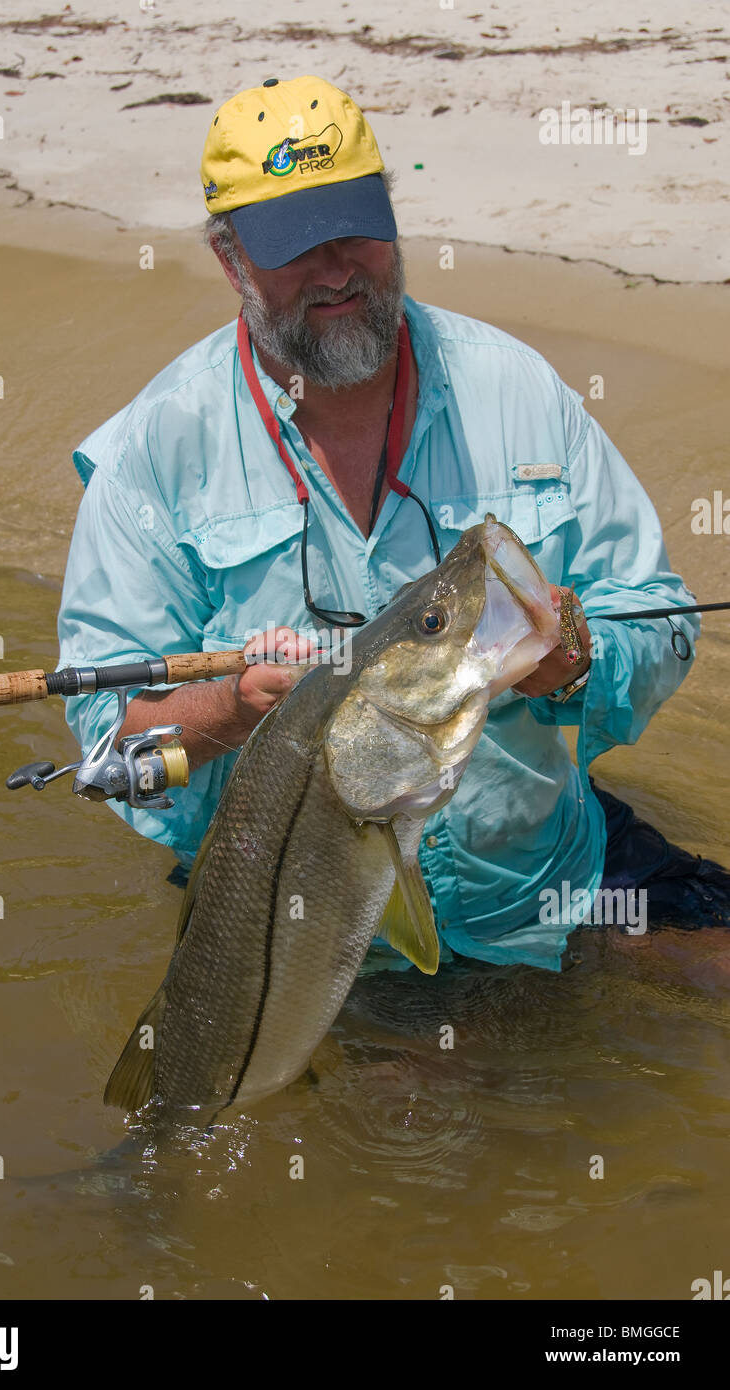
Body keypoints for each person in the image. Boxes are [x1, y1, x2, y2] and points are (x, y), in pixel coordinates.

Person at [57, 75, 729, 974]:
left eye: (355, 230)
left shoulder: (517, 390)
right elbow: (109, 745)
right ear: (229, 259)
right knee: (402, 1102)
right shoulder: (154, 452)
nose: (336, 270)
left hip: (545, 878)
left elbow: (662, 615)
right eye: (296, 245)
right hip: (307, 920)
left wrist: (578, 665)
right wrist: (225, 709)